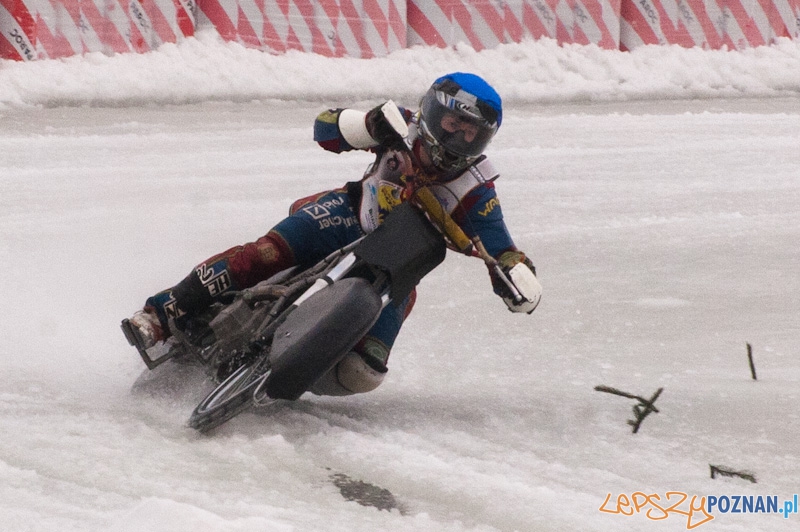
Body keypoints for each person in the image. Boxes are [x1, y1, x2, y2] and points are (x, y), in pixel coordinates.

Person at [124, 72, 540, 396]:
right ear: (431, 114)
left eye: (471, 133)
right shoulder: (399, 127)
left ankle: (294, 375)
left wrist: (516, 277)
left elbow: (499, 246)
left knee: (365, 371)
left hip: (399, 265)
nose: (457, 139)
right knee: (264, 254)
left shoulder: (476, 188)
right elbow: (325, 128)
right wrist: (365, 125)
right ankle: (160, 315)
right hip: (345, 216)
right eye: (452, 124)